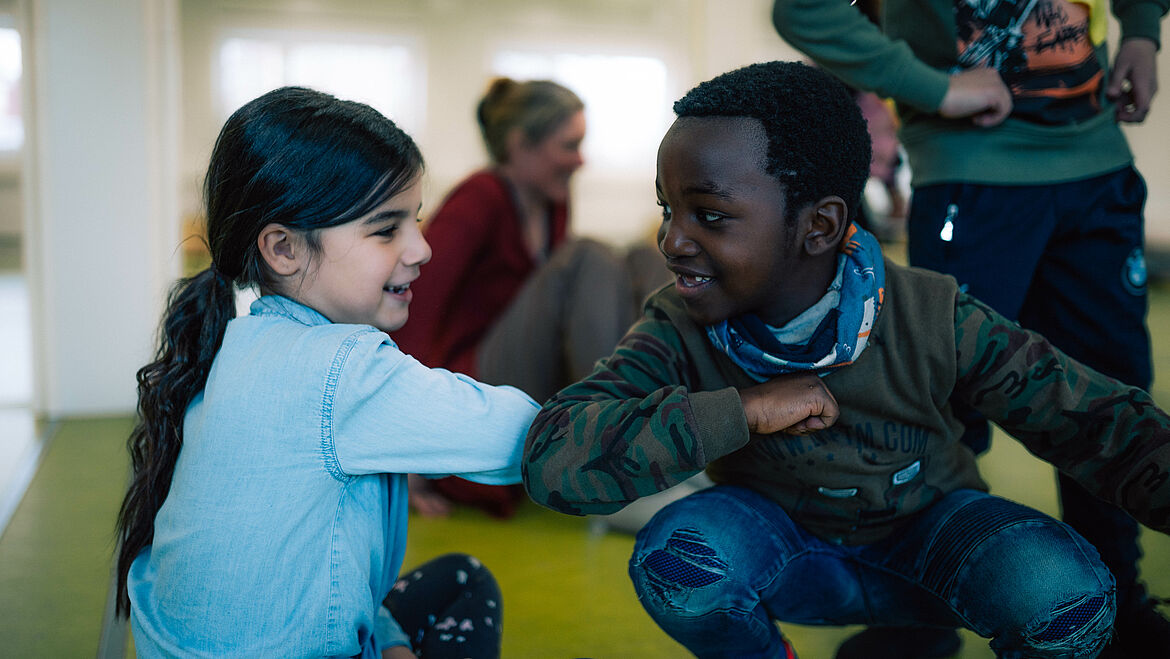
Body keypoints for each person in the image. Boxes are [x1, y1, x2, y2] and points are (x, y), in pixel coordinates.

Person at [522, 61, 1170, 659]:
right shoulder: (678, 323)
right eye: (669, 210)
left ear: (820, 226)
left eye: (709, 215)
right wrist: (740, 410)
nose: (671, 240)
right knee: (679, 559)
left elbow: (1097, 422)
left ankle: (914, 635)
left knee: (1067, 593)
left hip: (933, 548)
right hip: (789, 550)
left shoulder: (932, 313)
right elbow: (554, 456)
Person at [772, 0, 1168, 655]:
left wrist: (1145, 31)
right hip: (972, 176)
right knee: (945, 402)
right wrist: (936, 89)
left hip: (1098, 164)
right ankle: (918, 611)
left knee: (1109, 389)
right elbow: (803, 12)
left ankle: (1116, 601)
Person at [113, 87, 538, 659]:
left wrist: (387, 641)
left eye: (415, 219)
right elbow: (520, 438)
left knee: (446, 581)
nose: (422, 248)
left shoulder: (234, 347)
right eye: (387, 229)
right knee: (467, 583)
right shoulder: (342, 369)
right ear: (283, 248)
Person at [393, 77, 666, 519]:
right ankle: (620, 457)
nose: (581, 160)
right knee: (589, 256)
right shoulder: (478, 198)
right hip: (470, 384)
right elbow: (413, 311)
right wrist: (409, 451)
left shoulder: (552, 203)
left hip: (526, 375)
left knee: (642, 255)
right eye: (569, 145)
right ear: (521, 146)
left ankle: (668, 437)